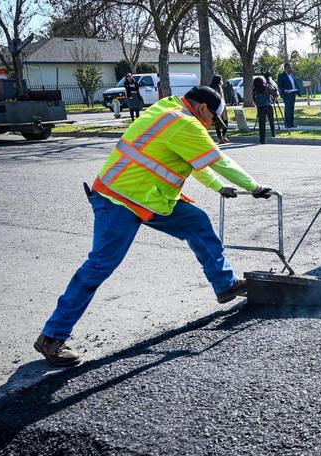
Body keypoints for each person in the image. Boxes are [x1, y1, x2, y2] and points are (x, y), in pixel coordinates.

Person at [34, 87, 275, 367]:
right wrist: (254, 187)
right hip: (119, 200)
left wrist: (219, 187)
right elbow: (218, 160)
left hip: (149, 198)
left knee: (197, 222)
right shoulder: (185, 123)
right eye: (213, 120)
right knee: (100, 265)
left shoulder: (169, 112)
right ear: (203, 109)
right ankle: (52, 337)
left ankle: (225, 285)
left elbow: (195, 163)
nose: (211, 126)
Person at [252, 75, 276, 143]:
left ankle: (262, 139)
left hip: (260, 108)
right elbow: (274, 93)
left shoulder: (255, 90)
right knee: (271, 120)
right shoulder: (266, 87)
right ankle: (273, 133)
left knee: (262, 124)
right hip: (268, 106)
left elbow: (254, 100)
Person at [208, 74, 230, 143]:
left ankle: (224, 136)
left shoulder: (220, 87)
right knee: (218, 122)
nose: (222, 81)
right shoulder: (212, 88)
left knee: (225, 120)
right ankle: (220, 137)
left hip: (223, 106)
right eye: (221, 80)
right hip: (217, 107)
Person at [277, 61, 299, 129]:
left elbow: (294, 83)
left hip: (293, 93)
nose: (290, 69)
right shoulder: (281, 75)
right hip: (286, 94)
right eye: (289, 67)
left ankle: (292, 123)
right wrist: (285, 90)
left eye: (291, 67)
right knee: (288, 109)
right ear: (285, 68)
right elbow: (280, 85)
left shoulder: (291, 75)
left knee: (292, 109)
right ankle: (287, 124)